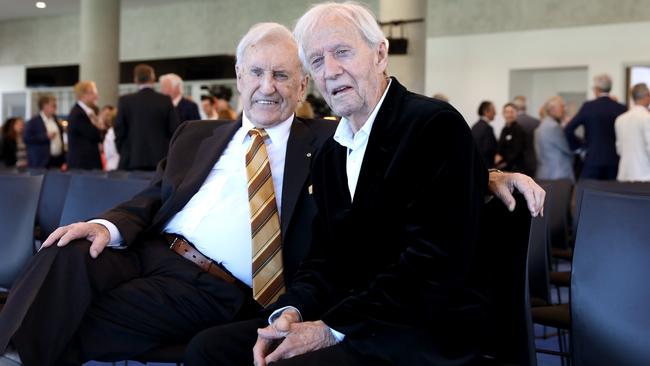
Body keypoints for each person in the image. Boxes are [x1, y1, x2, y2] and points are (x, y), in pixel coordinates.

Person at [0, 20, 544, 366]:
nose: (268, 86)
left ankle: (24, 348)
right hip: (148, 253)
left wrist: (485, 179)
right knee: (68, 253)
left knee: (64, 315)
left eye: (283, 75)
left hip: (217, 283)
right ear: (238, 76)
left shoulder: (326, 140)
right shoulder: (197, 134)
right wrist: (107, 225)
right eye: (257, 72)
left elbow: (408, 173)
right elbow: (154, 195)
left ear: (302, 87)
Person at [183, 4, 545, 366]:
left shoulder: (433, 125)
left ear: (380, 54)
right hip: (353, 314)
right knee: (210, 350)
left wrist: (330, 328)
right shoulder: (330, 153)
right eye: (317, 61)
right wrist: (292, 310)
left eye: (342, 52)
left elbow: (432, 263)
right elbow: (325, 259)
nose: (331, 70)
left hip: (422, 324)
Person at [114, 64, 180, 171]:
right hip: (160, 160)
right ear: (153, 78)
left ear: (136, 79)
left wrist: (124, 151)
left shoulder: (125, 101)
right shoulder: (165, 100)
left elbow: (119, 129)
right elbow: (174, 130)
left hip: (132, 158)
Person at [565, 74, 626, 180]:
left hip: (592, 159)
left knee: (588, 194)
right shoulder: (621, 108)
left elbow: (568, 129)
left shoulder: (588, 107)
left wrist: (579, 147)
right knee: (613, 194)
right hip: (614, 161)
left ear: (597, 89)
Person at [614, 83, 650, 182]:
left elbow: (619, 150)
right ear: (647, 96)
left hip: (624, 175)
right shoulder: (647, 118)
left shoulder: (620, 119)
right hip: (644, 176)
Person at [535, 96, 574, 181]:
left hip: (545, 172)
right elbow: (568, 148)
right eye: (562, 106)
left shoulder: (542, 126)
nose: (564, 109)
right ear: (552, 109)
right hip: (558, 174)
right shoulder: (554, 127)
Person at [67, 80, 103, 170]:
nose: (97, 96)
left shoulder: (90, 111)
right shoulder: (78, 114)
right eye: (93, 93)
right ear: (83, 95)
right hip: (83, 165)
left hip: (88, 163)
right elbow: (95, 135)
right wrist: (100, 125)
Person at [23, 94, 65, 168]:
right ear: (44, 106)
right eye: (53, 105)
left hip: (58, 161)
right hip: (41, 162)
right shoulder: (33, 122)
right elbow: (27, 139)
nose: (56, 107)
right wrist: (45, 136)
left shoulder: (56, 120)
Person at [513, 95, 540, 176]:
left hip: (517, 163)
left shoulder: (513, 123)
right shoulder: (536, 122)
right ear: (525, 107)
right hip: (533, 160)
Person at [496, 102, 527, 173]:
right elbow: (500, 147)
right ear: (503, 114)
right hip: (505, 167)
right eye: (507, 112)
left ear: (516, 113)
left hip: (515, 168)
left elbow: (517, 151)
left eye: (512, 112)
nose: (509, 115)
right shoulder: (504, 129)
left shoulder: (519, 129)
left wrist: (505, 162)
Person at [471, 100, 497, 168]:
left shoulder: (474, 126)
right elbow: (489, 149)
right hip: (486, 166)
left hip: (475, 164)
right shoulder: (488, 128)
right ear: (486, 111)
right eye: (493, 110)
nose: (495, 113)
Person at [99, 105, 119, 171]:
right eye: (105, 115)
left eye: (108, 115)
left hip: (112, 166)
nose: (106, 118)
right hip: (114, 167)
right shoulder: (112, 132)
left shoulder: (111, 132)